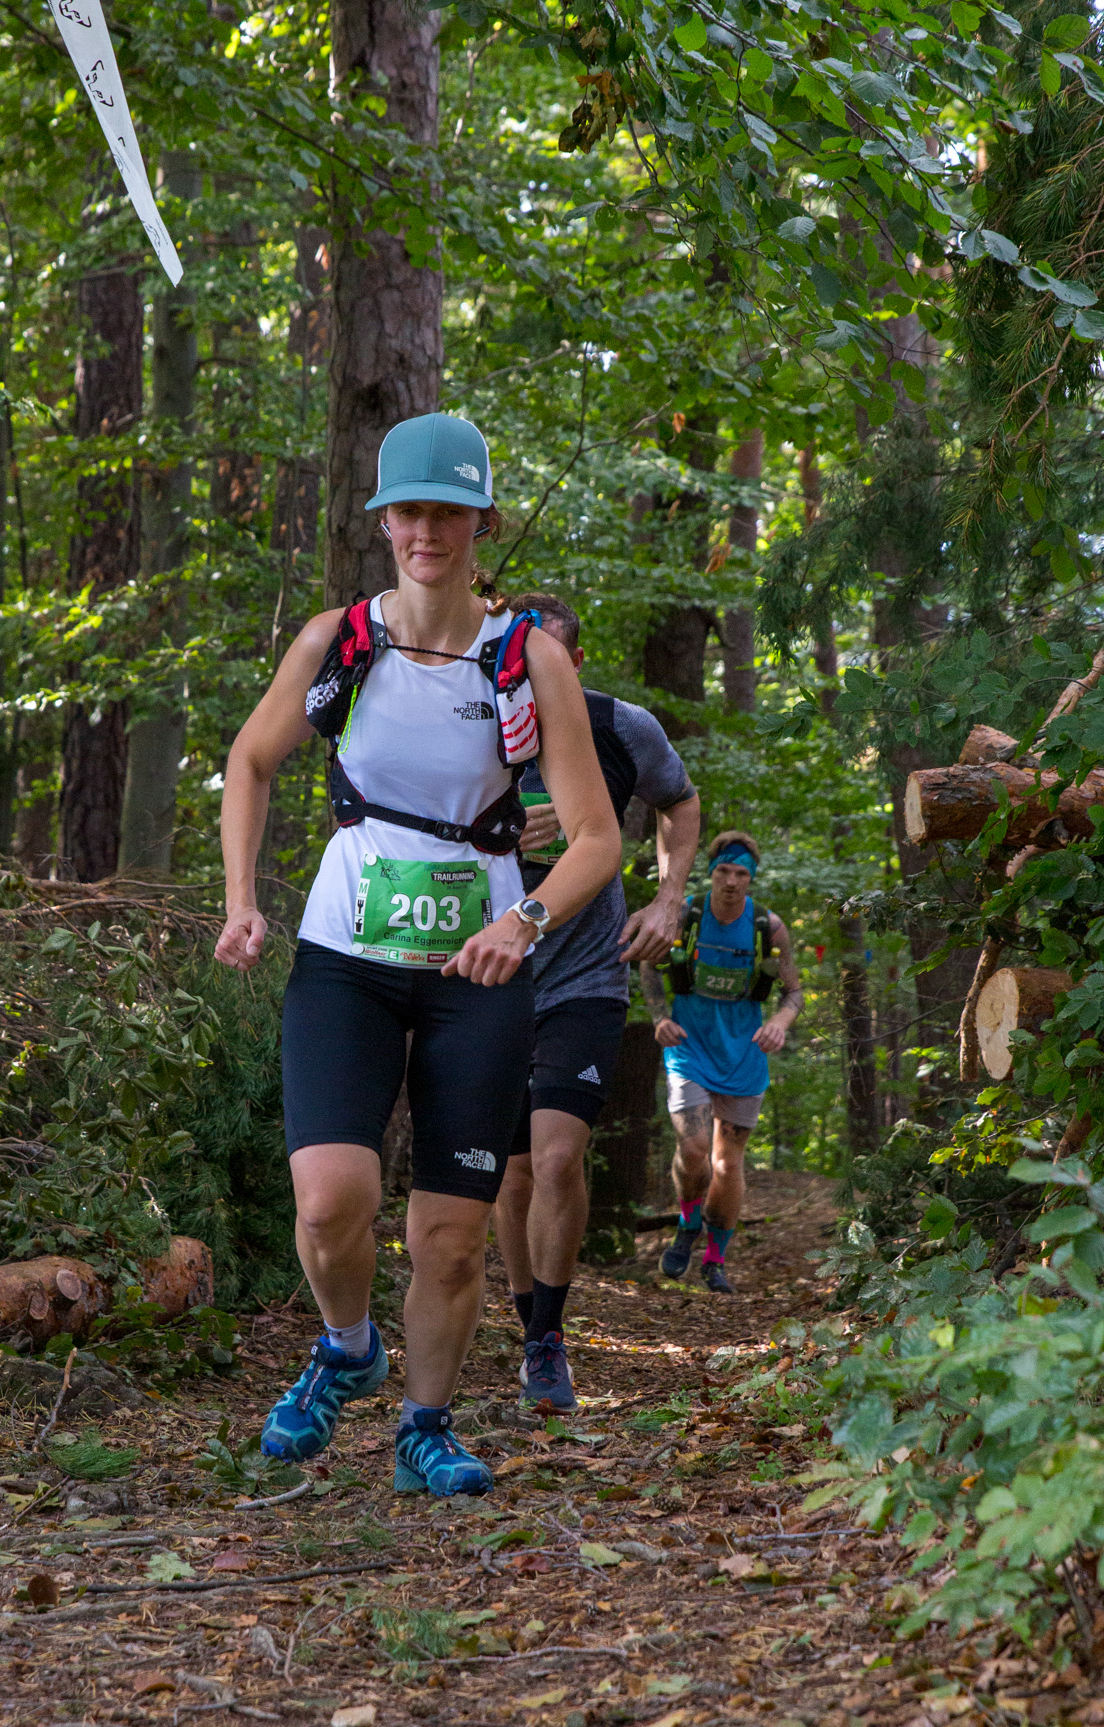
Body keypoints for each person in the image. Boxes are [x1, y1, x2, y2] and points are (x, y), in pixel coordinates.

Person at [214, 413, 620, 1497]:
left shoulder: (528, 659)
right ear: (383, 521)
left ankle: (424, 1428)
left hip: (476, 976)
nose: (426, 531)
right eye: (408, 512)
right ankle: (348, 1347)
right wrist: (242, 900)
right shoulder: (338, 641)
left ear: (482, 522)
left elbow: (595, 838)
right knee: (328, 1200)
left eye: (448, 511)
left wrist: (521, 922)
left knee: (449, 1235)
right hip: (343, 955)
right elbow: (250, 761)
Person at [492, 592, 700, 1409]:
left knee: (555, 1158)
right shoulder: (467, 724)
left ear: (573, 663)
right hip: (488, 973)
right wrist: (496, 834)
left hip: (584, 974)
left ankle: (548, 1340)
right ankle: (526, 1326)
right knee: (510, 1173)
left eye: (548, 659)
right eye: (517, 659)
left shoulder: (621, 727)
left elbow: (678, 801)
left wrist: (667, 899)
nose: (531, 674)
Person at [646, 830, 802, 1295]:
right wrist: (659, 1017)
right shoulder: (685, 916)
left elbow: (793, 991)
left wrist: (780, 1023)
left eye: (741, 874)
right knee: (694, 1149)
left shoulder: (768, 928)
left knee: (728, 1165)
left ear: (751, 879)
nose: (731, 882)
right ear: (711, 873)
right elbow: (648, 966)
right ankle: (687, 1223)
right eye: (723, 871)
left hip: (744, 1057)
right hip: (688, 1049)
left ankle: (715, 1261)